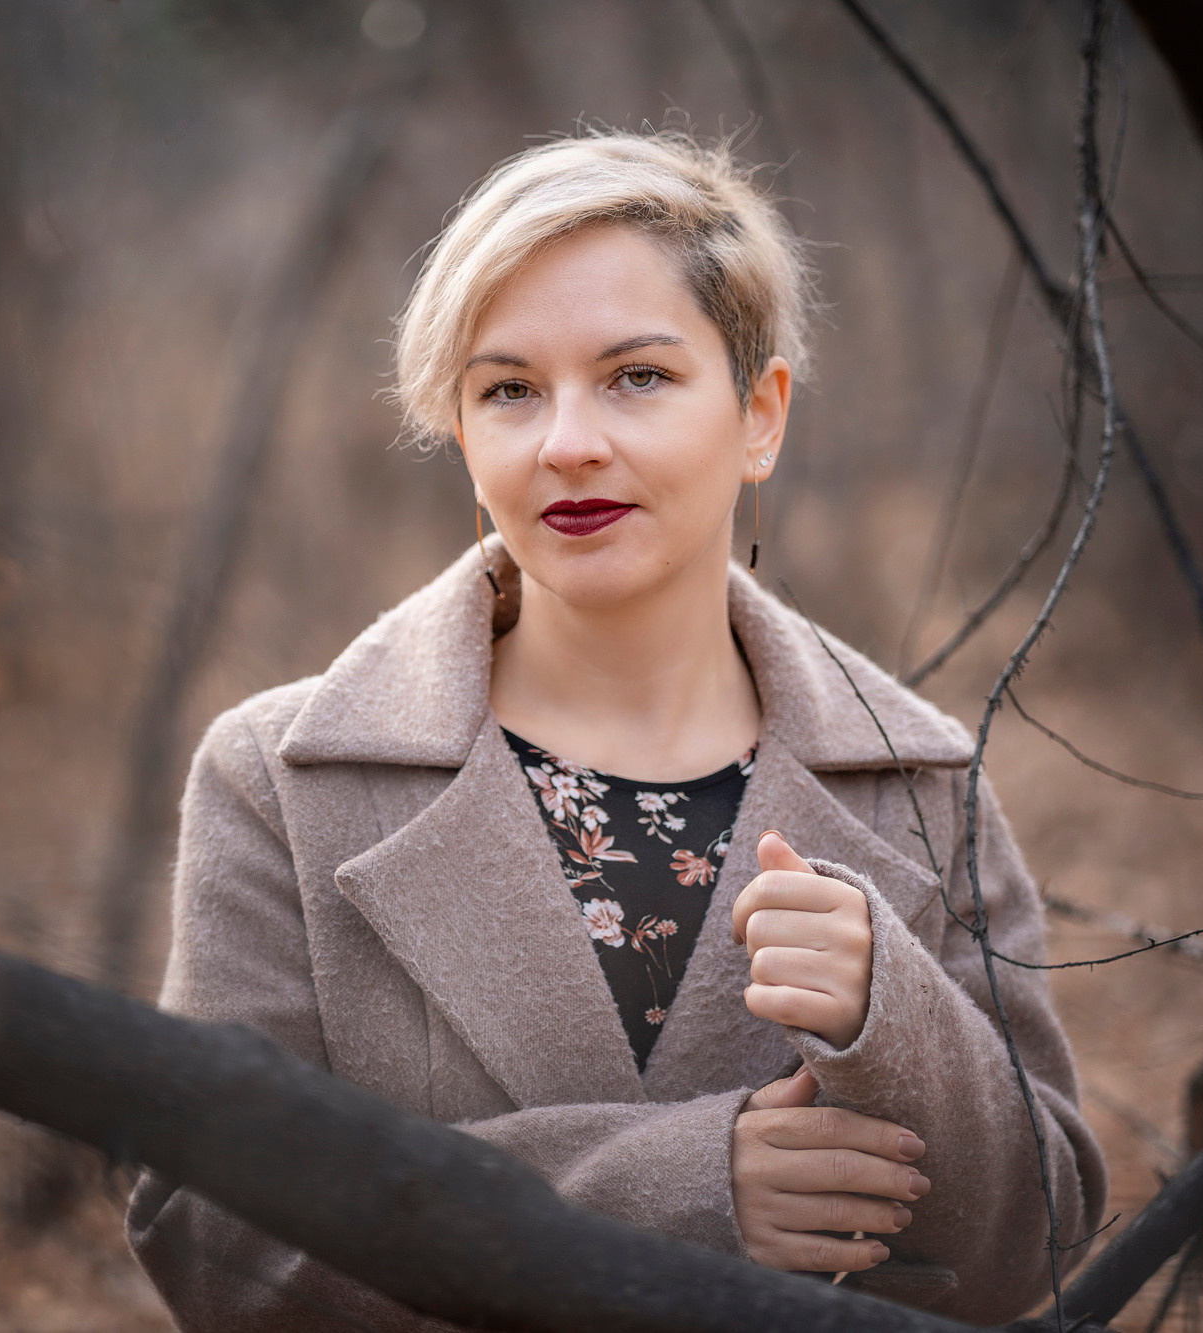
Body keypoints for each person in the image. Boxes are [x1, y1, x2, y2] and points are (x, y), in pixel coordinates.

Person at [126, 130, 1106, 1329]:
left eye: (636, 376)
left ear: (759, 414)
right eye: (508, 390)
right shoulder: (279, 782)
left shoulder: (916, 784)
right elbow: (209, 1233)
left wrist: (887, 1018)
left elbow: (1037, 1252)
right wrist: (674, 1198)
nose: (567, 442)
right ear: (464, 437)